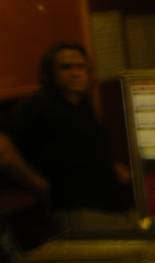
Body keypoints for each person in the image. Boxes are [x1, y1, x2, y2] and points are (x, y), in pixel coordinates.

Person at [12, 43, 130, 213]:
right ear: (50, 74)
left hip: (108, 200)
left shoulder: (81, 103)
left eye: (81, 67)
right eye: (66, 68)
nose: (75, 73)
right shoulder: (37, 105)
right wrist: (40, 185)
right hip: (74, 207)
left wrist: (113, 167)